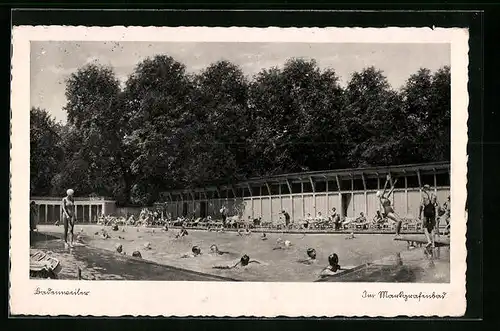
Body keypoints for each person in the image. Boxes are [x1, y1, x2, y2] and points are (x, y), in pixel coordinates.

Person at [419, 185, 437, 249]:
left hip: (426, 211)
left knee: (425, 227)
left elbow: (421, 205)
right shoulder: (434, 194)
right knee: (432, 227)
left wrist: (419, 214)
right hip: (432, 211)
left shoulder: (423, 195)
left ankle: (429, 241)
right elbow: (436, 205)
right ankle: (433, 244)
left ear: (424, 189)